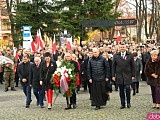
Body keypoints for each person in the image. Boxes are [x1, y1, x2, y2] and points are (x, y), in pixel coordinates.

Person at [112, 43, 135, 109]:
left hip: (128, 75)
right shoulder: (116, 56)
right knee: (121, 90)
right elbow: (113, 66)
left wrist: (133, 75)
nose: (122, 48)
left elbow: (133, 66)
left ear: (126, 48)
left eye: (123, 47)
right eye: (121, 47)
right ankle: (122, 103)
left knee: (128, 89)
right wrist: (113, 75)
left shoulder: (130, 55)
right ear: (119, 48)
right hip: (119, 75)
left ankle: (128, 102)